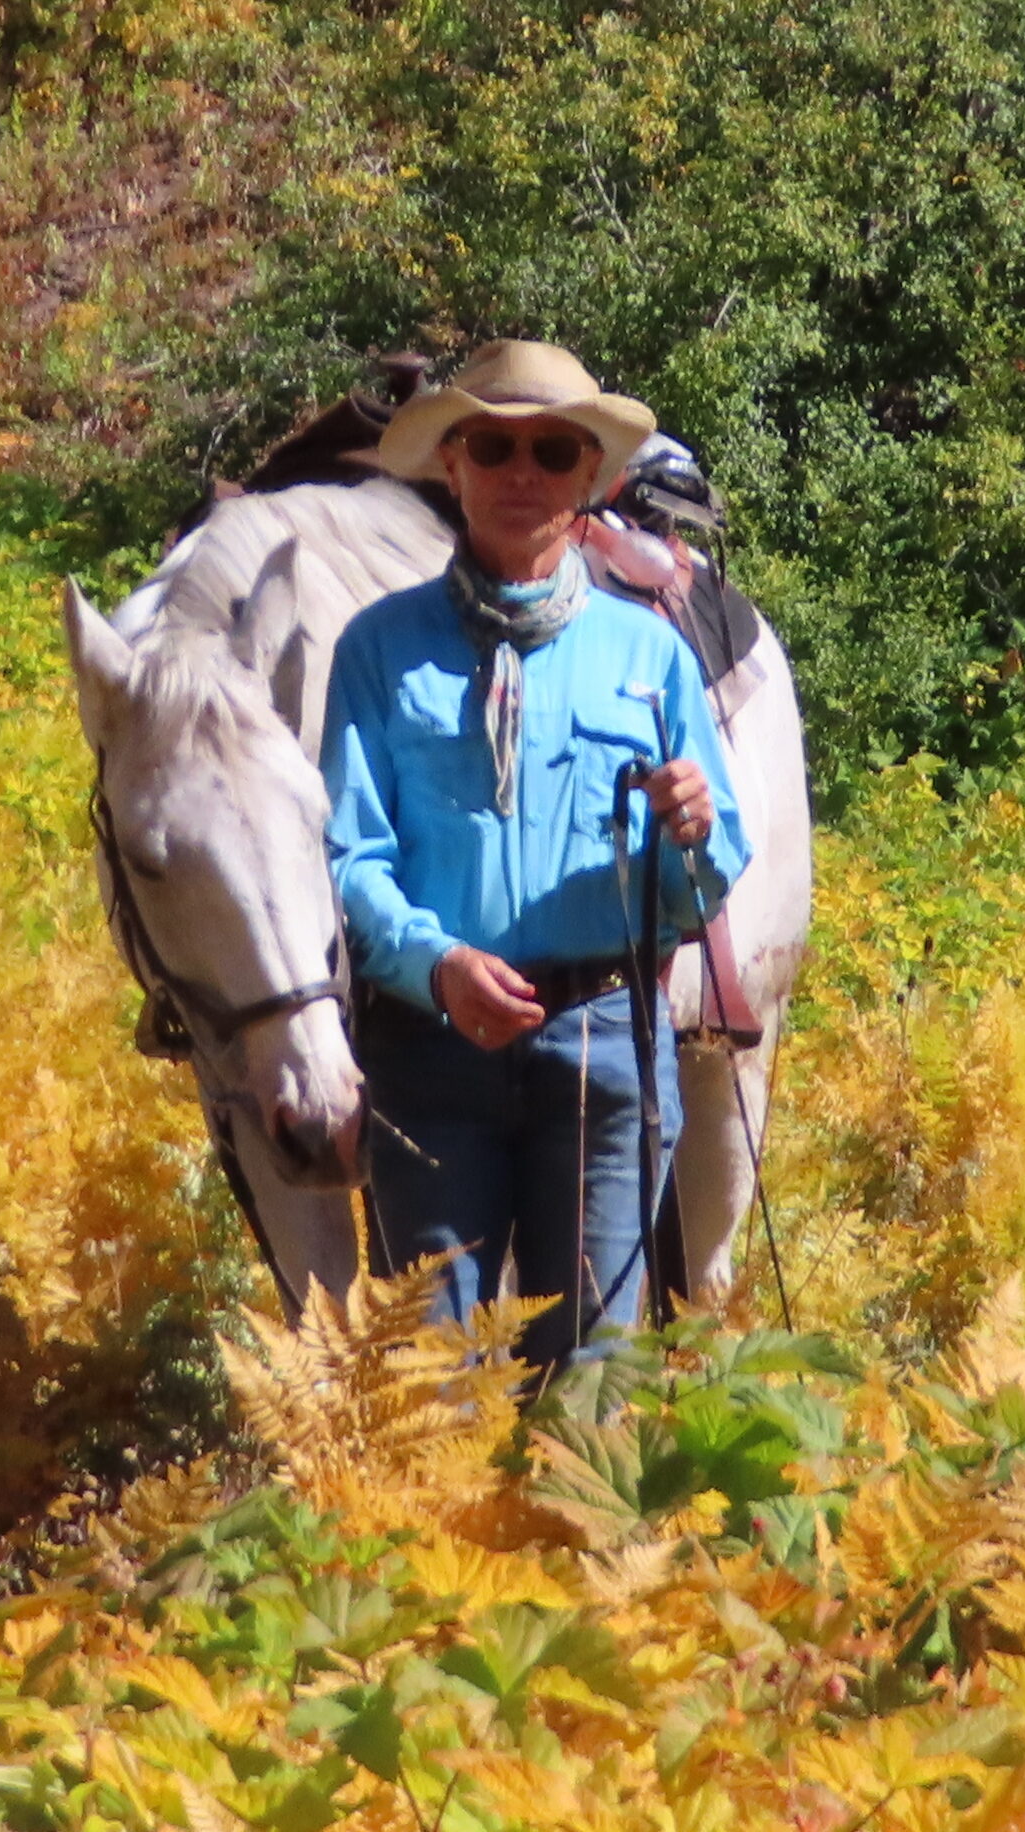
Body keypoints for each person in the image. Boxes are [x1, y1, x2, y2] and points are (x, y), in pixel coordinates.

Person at [322, 340, 749, 1374]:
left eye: (555, 452)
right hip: (428, 1053)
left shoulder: (650, 657)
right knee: (434, 1392)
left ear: (592, 481)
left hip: (604, 1049)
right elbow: (346, 857)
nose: (524, 474)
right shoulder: (375, 649)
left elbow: (710, 877)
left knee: (584, 1388)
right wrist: (436, 965)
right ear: (454, 466)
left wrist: (694, 832)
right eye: (496, 447)